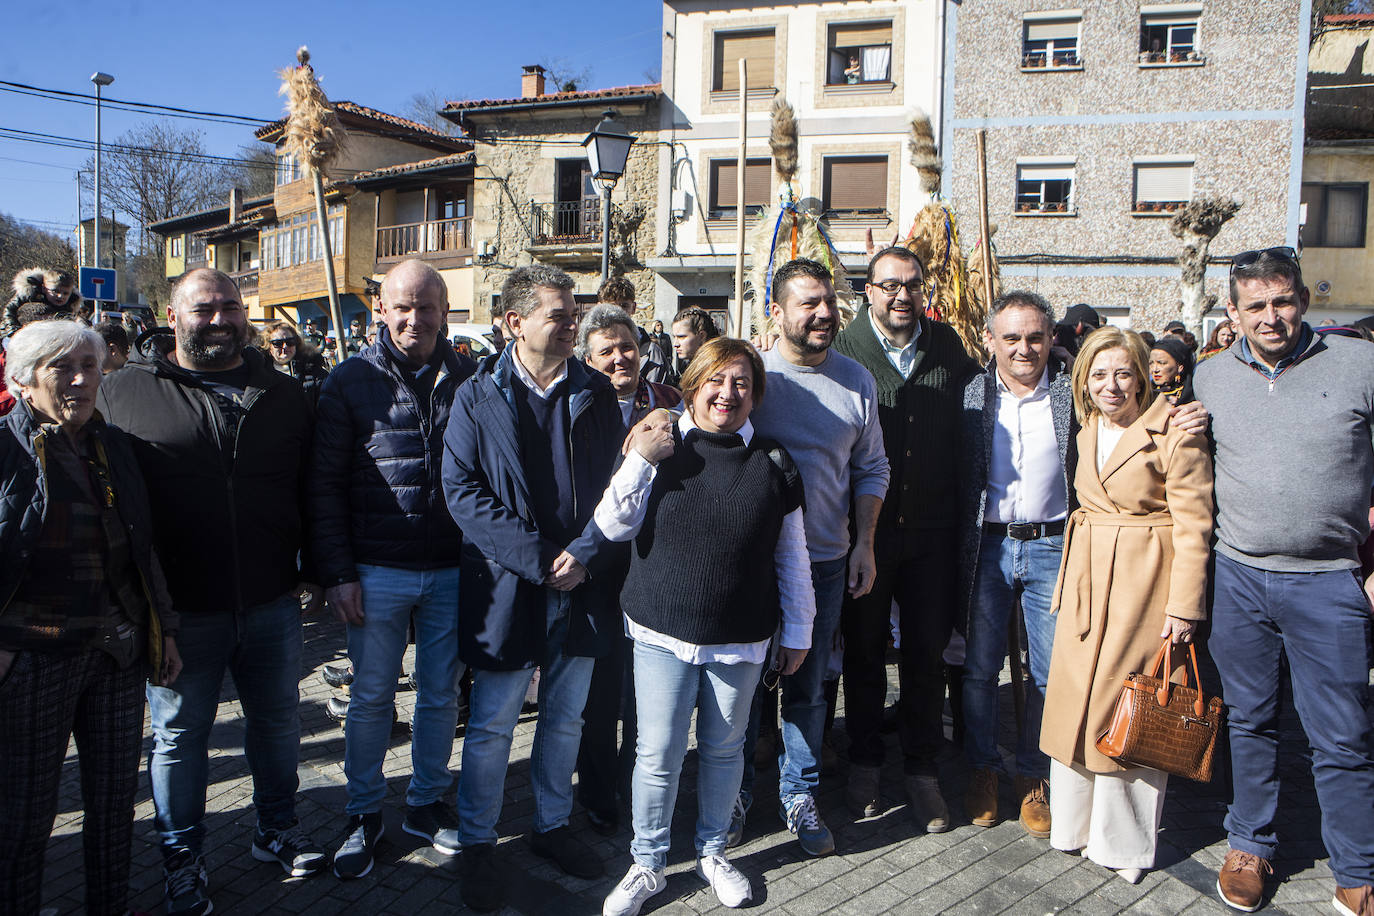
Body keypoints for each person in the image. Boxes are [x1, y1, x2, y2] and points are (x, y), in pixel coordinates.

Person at [96, 268, 324, 916]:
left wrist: (315, 563)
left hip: (272, 600)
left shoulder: (282, 393)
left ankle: (275, 830)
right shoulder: (123, 393)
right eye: (204, 308)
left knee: (279, 725)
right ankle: (181, 858)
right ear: (173, 316)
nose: (219, 318)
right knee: (177, 737)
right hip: (178, 612)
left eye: (230, 306)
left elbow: (308, 486)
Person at [596, 338, 815, 915]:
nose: (727, 393)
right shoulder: (660, 443)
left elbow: (791, 557)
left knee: (724, 752)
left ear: (756, 394)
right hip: (661, 631)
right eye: (716, 380)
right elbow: (612, 526)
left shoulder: (774, 461)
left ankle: (713, 852)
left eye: (741, 383)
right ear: (693, 384)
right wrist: (641, 458)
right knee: (658, 753)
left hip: (740, 637)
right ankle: (647, 863)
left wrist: (799, 630)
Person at [1192, 247, 1374, 915]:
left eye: (1283, 301)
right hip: (1238, 577)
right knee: (1250, 721)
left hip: (1329, 581)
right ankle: (1252, 843)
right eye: (1256, 306)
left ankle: (1358, 866)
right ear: (1233, 312)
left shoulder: (1360, 365)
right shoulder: (1208, 378)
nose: (1272, 317)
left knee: (1343, 734)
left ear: (1304, 300)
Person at [441, 264, 624, 912]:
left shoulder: (596, 393)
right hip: (508, 588)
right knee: (491, 726)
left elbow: (619, 489)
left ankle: (550, 826)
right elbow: (462, 492)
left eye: (575, 312)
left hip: (581, 588)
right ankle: (478, 844)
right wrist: (542, 558)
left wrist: (587, 556)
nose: (574, 322)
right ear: (514, 323)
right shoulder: (475, 394)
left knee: (565, 717)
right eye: (560, 313)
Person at [0, 319, 183, 916]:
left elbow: (142, 544)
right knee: (24, 816)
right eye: (63, 367)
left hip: (116, 654)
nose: (81, 379)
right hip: (32, 657)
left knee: (112, 804)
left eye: (92, 365)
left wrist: (165, 631)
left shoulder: (114, 446)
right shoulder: (4, 449)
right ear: (26, 379)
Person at [311, 260, 477, 878]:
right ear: (380, 308)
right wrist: (337, 572)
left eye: (426, 307)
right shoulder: (348, 381)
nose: (414, 319)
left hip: (450, 567)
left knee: (441, 696)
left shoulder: (467, 375)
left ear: (444, 310)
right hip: (376, 568)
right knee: (371, 697)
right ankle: (361, 810)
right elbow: (323, 485)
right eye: (401, 307)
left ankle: (427, 801)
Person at [1041, 326, 1213, 885]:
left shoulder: (1174, 430)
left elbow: (1195, 525)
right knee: (1075, 701)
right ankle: (1074, 826)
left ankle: (1126, 845)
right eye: (1098, 374)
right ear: (1083, 382)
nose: (1110, 385)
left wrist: (1184, 606)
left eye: (1122, 373)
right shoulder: (1088, 427)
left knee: (1131, 707)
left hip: (1145, 578)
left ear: (1142, 374)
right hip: (1089, 578)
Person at [737, 258, 889, 857]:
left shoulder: (856, 381)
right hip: (748, 565)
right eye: (809, 303)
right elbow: (703, 423)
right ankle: (734, 796)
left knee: (808, 689)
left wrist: (865, 544)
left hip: (825, 561)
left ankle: (799, 795)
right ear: (776, 311)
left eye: (828, 302)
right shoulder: (750, 375)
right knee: (744, 692)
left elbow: (871, 466)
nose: (825, 313)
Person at [831, 247, 978, 832]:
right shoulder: (844, 350)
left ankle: (922, 767)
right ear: (869, 290)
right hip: (864, 534)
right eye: (889, 285)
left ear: (925, 290)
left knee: (925, 654)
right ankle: (864, 759)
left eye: (912, 285)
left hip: (934, 533)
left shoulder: (947, 348)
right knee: (864, 653)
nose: (902, 295)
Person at [957, 290, 1076, 839]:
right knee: (980, 669)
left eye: (1034, 337)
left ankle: (1035, 775)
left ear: (1051, 338)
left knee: (1049, 672)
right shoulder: (971, 396)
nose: (1024, 348)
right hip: (989, 547)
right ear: (990, 341)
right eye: (1011, 338)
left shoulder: (1076, 394)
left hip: (1054, 544)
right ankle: (983, 767)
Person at [572, 304, 682, 835]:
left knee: (644, 691)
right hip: (595, 564)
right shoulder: (576, 406)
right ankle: (595, 790)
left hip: (652, 562)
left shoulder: (669, 401)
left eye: (628, 347)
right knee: (599, 686)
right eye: (606, 351)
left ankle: (638, 785)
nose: (620, 358)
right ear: (588, 358)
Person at [597, 277, 673, 385]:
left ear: (633, 308)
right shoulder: (589, 350)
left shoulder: (651, 353)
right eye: (612, 307)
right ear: (600, 309)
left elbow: (656, 395)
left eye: (624, 306)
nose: (619, 312)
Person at [261, 320, 329, 403]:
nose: (285, 346)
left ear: (296, 343)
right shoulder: (260, 372)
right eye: (278, 343)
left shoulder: (314, 371)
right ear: (269, 347)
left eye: (290, 342)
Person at [3, 268, 82, 338]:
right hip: (11, 333)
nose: (60, 296)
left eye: (65, 293)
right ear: (44, 288)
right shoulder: (30, 294)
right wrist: (12, 329)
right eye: (55, 291)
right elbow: (9, 309)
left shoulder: (69, 306)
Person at [671, 306, 720, 376]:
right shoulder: (688, 365)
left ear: (701, 336)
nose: (675, 344)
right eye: (674, 337)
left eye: (681, 337)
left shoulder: (717, 369)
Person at [1148, 335, 1195, 405]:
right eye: (1151, 363)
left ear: (1180, 367)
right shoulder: (1145, 393)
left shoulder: (1193, 394)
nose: (1155, 369)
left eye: (1162, 363)